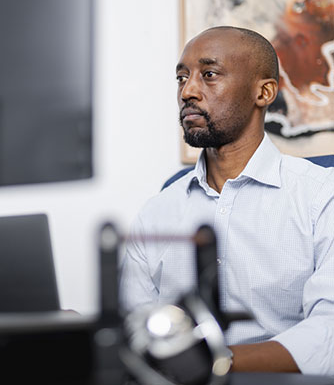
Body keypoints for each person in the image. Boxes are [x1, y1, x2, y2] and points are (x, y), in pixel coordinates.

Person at [119, 26, 334, 375]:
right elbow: (135, 328)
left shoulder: (322, 195)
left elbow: (329, 333)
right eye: (181, 78)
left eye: (209, 74)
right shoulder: (157, 212)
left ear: (263, 92)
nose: (188, 91)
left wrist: (209, 365)